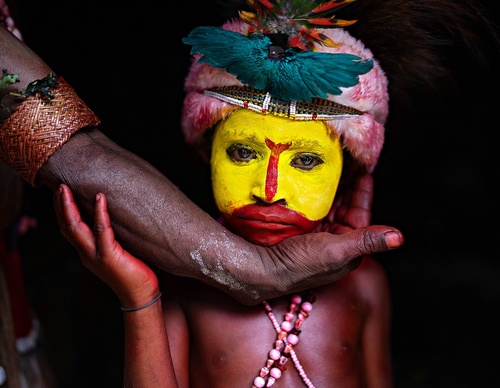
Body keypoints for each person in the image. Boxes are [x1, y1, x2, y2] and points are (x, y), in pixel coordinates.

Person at [0, 2, 405, 307]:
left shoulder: (364, 291)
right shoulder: (182, 292)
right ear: (206, 153)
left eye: (306, 160)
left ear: (348, 173)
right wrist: (142, 297)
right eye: (243, 152)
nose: (270, 190)